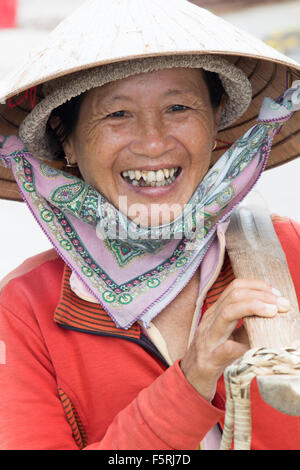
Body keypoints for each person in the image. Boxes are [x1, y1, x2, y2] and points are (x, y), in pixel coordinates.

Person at [0, 0, 300, 450]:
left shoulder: (289, 252)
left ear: (216, 123)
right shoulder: (24, 310)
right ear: (69, 142)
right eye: (117, 114)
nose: (155, 142)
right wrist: (192, 378)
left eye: (179, 107)